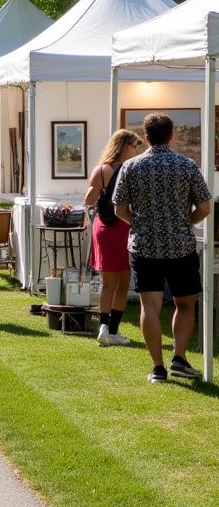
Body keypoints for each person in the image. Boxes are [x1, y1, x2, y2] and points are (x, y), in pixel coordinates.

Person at [113, 113, 211, 382]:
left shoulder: (131, 167)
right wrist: (185, 222)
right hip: (180, 245)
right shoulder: (186, 165)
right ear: (172, 135)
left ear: (145, 136)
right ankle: (178, 357)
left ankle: (158, 367)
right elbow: (204, 207)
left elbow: (119, 208)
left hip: (145, 246)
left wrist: (140, 223)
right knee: (185, 304)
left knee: (150, 307)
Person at [83, 129, 141, 347]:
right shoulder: (130, 170)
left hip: (102, 227)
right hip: (122, 226)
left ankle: (104, 328)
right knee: (123, 283)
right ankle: (113, 330)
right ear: (124, 146)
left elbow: (89, 199)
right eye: (134, 146)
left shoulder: (100, 169)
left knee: (107, 284)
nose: (136, 150)